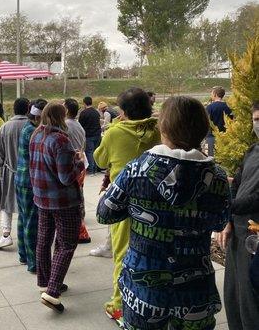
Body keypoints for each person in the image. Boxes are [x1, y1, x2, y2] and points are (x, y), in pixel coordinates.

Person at [97, 96, 230, 330]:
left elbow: (104, 214)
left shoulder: (136, 170)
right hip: (196, 292)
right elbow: (220, 222)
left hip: (143, 291)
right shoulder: (217, 177)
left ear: (163, 128)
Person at [94, 87, 160, 327]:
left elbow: (100, 160)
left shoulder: (115, 132)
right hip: (155, 201)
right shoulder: (158, 130)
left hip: (123, 200)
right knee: (151, 250)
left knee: (122, 251)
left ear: (123, 111)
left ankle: (120, 304)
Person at [29, 101, 85, 312]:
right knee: (67, 244)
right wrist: (79, 162)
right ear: (61, 117)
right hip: (64, 202)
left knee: (44, 239)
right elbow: (65, 177)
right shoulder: (61, 140)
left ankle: (47, 280)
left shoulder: (36, 134)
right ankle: (52, 292)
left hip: (41, 198)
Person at [216, 101, 259, 329]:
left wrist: (224, 206)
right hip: (238, 233)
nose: (258, 124)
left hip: (255, 237)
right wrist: (228, 221)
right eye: (256, 119)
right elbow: (238, 183)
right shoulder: (252, 151)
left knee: (251, 301)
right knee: (234, 296)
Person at [0, 98, 29, 249]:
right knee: (27, 205)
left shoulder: (5, 127)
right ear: (28, 109)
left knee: (6, 204)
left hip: (9, 171)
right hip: (28, 173)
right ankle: (27, 235)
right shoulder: (32, 126)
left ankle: (6, 235)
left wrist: (1, 168)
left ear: (13, 109)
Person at [15, 98, 47, 274]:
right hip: (29, 182)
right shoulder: (34, 132)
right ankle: (33, 262)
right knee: (31, 223)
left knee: (23, 219)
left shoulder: (28, 128)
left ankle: (23, 254)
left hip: (20, 179)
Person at [64, 98, 90, 244]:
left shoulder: (66, 125)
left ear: (67, 110)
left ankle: (79, 226)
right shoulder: (78, 125)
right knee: (79, 192)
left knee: (73, 195)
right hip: (81, 162)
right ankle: (81, 216)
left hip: (72, 164)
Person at [206, 86, 233, 156]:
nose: (211, 95)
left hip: (211, 137)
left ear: (215, 94)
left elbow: (205, 122)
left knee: (209, 158)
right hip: (226, 137)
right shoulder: (228, 107)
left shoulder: (209, 107)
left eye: (211, 93)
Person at [78, 96, 101, 175]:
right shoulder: (96, 112)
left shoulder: (84, 113)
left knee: (89, 152)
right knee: (96, 151)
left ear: (84, 103)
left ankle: (91, 169)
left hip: (89, 135)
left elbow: (80, 126)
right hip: (97, 134)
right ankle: (96, 168)